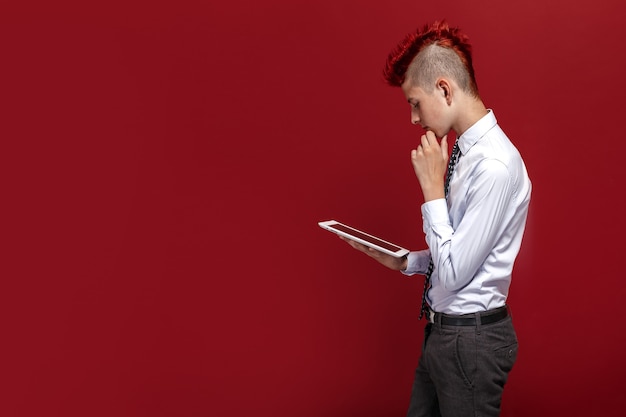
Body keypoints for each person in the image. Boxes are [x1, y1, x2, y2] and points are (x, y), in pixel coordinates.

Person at [341, 21, 531, 416]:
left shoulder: (494, 165)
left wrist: (431, 189)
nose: (414, 118)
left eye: (414, 102)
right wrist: (406, 261)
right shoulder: (464, 153)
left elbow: (456, 272)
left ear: (444, 89)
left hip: (470, 344)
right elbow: (457, 251)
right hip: (444, 335)